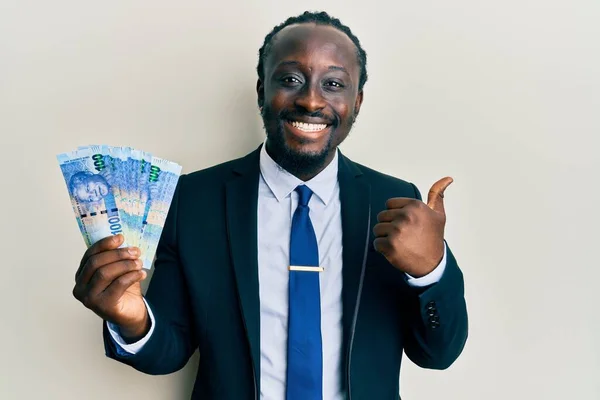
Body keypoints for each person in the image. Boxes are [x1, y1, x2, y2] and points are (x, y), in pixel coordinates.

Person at [72, 11, 468, 400]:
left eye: (333, 83)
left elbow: (437, 354)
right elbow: (169, 352)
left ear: (357, 101)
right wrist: (132, 320)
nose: (312, 100)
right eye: (291, 79)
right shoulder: (194, 200)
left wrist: (432, 271)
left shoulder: (395, 202)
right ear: (262, 90)